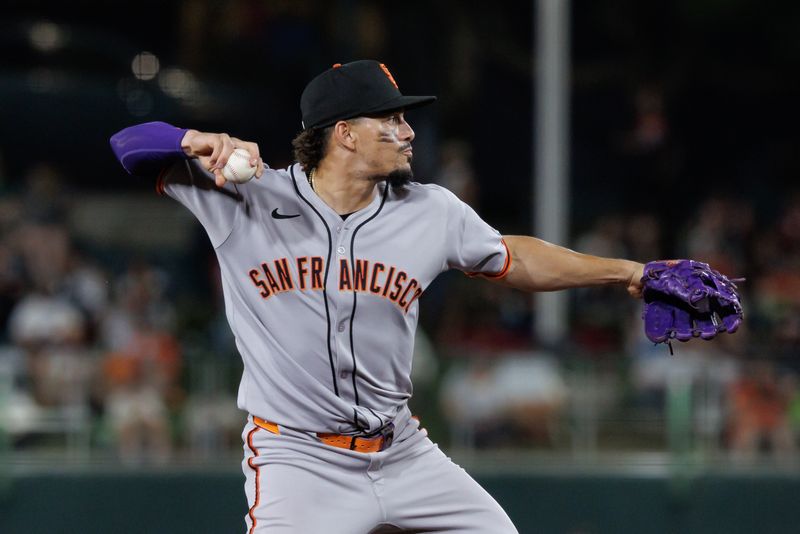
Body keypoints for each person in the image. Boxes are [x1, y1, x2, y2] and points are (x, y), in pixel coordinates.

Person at [110, 59, 645, 533]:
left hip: (403, 451)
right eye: (390, 120)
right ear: (344, 133)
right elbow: (128, 145)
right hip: (299, 459)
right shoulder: (245, 197)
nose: (408, 131)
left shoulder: (429, 210)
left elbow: (516, 258)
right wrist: (190, 141)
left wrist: (629, 272)